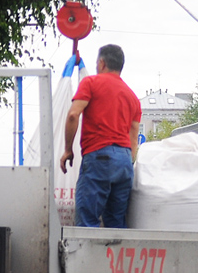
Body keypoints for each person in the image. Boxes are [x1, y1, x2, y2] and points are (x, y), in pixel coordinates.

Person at [59, 44, 141, 227]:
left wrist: (67, 150)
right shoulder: (133, 98)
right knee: (116, 225)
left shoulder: (91, 83)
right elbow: (133, 137)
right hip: (125, 162)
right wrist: (127, 160)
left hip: (99, 158)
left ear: (102, 63)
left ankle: (85, 256)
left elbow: (73, 115)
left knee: (87, 222)